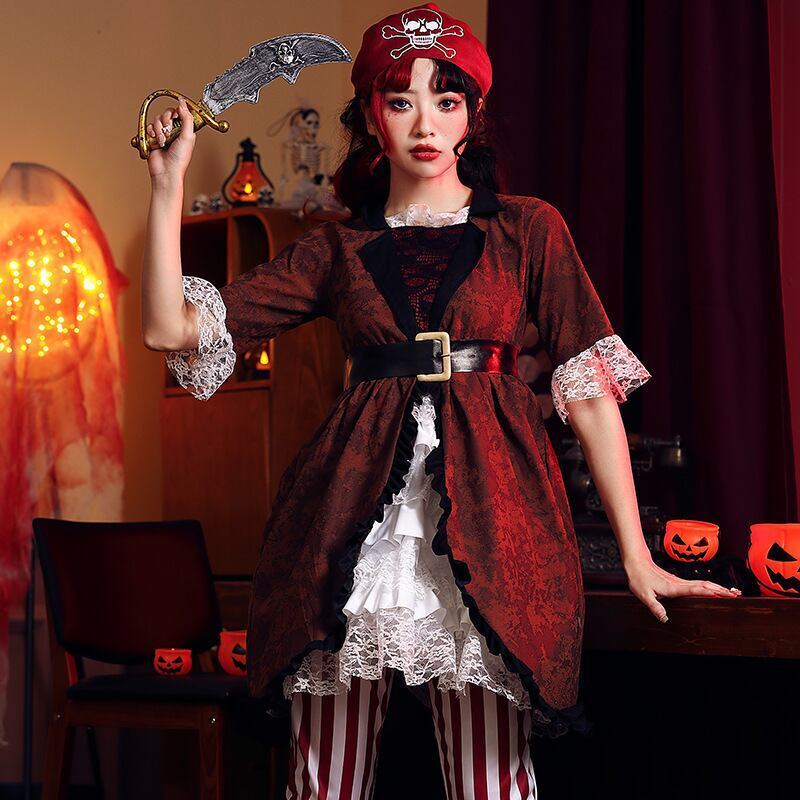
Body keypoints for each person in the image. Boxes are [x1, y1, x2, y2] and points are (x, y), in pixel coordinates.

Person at [141, 4, 742, 797]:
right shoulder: (335, 248)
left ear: (472, 115)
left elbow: (592, 393)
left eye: (446, 100)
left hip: (495, 520)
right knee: (323, 780)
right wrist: (167, 185)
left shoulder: (528, 230)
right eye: (401, 101)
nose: (426, 123)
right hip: (345, 527)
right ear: (371, 119)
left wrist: (637, 556)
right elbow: (169, 329)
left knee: (492, 781)